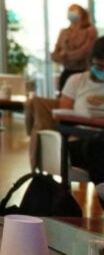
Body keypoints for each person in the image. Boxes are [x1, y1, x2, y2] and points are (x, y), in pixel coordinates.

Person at [59, 37, 104, 204]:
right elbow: (64, 115)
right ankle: (101, 191)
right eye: (99, 66)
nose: (102, 70)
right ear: (91, 62)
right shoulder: (77, 81)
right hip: (79, 139)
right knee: (96, 144)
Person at [52, 4, 97, 93]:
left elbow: (84, 52)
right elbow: (55, 54)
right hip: (67, 72)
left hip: (84, 72)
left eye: (74, 10)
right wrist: (61, 56)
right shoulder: (64, 32)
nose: (71, 13)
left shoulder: (90, 31)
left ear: (82, 14)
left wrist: (66, 55)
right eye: (70, 11)